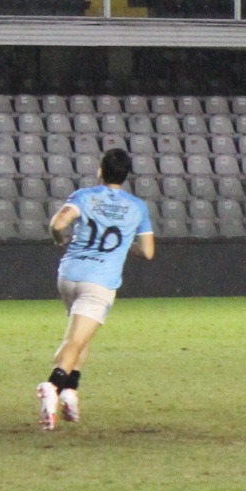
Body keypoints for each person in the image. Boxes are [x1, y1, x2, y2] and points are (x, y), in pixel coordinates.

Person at [41, 146, 156, 431]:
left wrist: (58, 239)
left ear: (101, 171)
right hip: (100, 281)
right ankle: (53, 385)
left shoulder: (84, 196)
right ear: (126, 175)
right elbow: (148, 252)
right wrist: (124, 244)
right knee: (75, 341)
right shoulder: (137, 207)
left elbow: (58, 223)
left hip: (69, 274)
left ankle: (70, 392)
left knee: (83, 335)